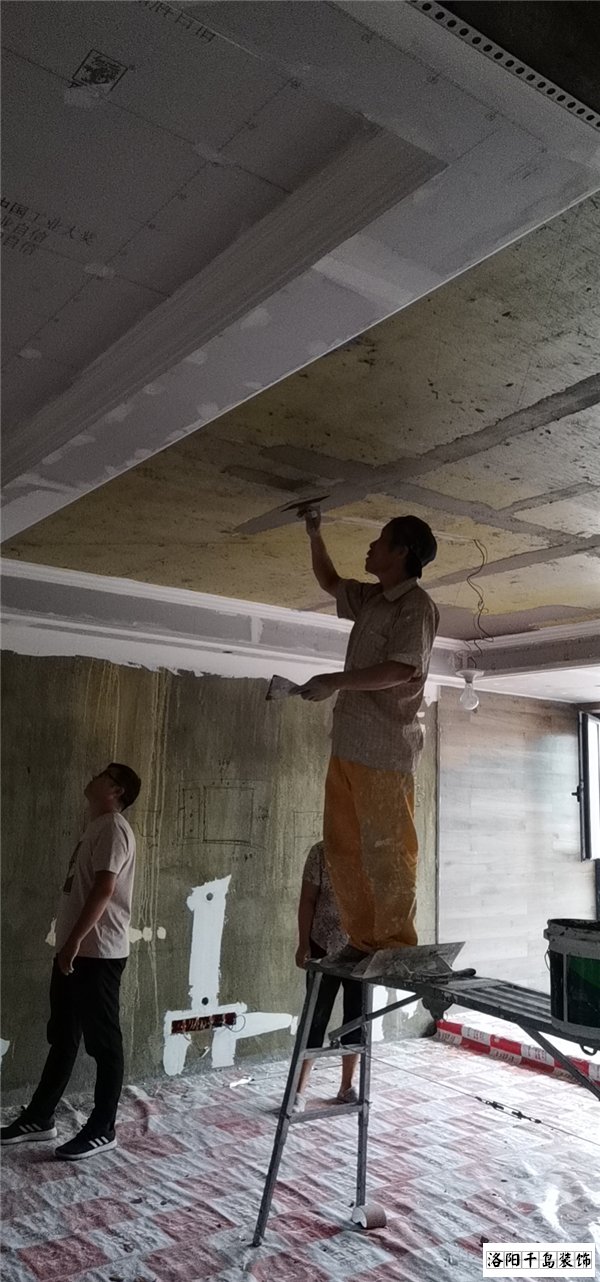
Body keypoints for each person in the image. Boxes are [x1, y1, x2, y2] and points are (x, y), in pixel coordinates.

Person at [299, 513, 439, 961]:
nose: (370, 547)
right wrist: (314, 534)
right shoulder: (374, 598)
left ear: (402, 552)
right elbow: (330, 581)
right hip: (348, 745)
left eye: (380, 541)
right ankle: (362, 941)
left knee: (388, 851)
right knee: (343, 849)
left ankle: (394, 943)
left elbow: (401, 669)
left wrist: (334, 681)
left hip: (384, 750)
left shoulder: (415, 606)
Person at [1, 763, 141, 1160]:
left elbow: (104, 888)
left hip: (96, 953)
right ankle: (39, 1118)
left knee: (104, 1043)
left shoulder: (113, 827)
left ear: (116, 790)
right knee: (63, 1035)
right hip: (76, 950)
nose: (92, 777)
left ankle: (103, 1128)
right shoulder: (96, 827)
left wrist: (74, 942)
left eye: (103, 774)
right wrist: (68, 945)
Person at [294, 840, 363, 1111]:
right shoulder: (321, 852)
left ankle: (346, 1086)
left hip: (360, 949)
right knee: (315, 1018)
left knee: (356, 1019)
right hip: (322, 946)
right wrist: (303, 943)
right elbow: (308, 900)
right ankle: (298, 1091)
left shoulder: (371, 851)